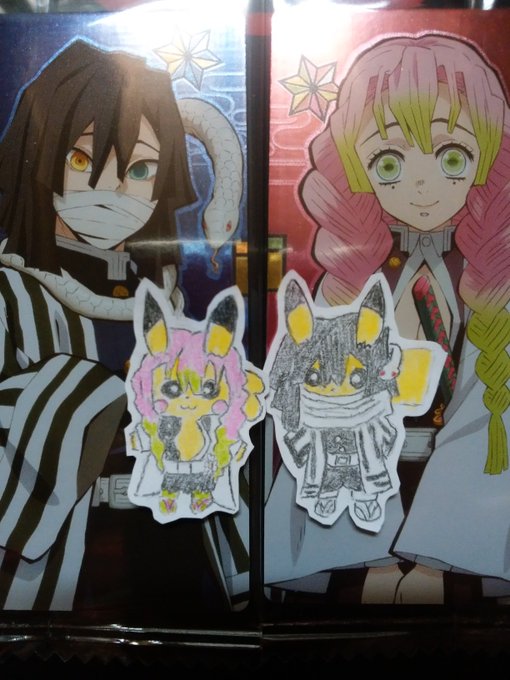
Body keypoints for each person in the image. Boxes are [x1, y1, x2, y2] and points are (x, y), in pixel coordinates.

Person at [264, 32, 510, 605]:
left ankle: (448, 552)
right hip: (369, 452)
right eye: (390, 162)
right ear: (354, 166)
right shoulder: (352, 273)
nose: (422, 186)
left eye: (452, 157)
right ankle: (358, 554)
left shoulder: (492, 272)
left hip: (465, 462)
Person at [0, 37, 237, 614]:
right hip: (44, 582)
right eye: (82, 162)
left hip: (165, 560)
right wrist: (87, 395)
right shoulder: (12, 290)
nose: (110, 191)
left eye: (140, 169)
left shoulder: (165, 306)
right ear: (40, 158)